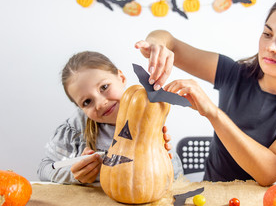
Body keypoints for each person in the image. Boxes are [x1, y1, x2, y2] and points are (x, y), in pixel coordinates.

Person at [134, 0, 276, 186]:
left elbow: (269, 170)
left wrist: (212, 113)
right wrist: (156, 45)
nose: (271, 46)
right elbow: (169, 41)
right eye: (267, 34)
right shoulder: (233, 73)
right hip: (212, 197)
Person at [37, 51, 183, 184]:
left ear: (121, 78)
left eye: (104, 87)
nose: (100, 103)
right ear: (80, 108)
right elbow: (44, 169)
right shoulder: (77, 127)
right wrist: (72, 174)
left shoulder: (147, 111)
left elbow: (175, 177)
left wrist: (162, 158)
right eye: (87, 102)